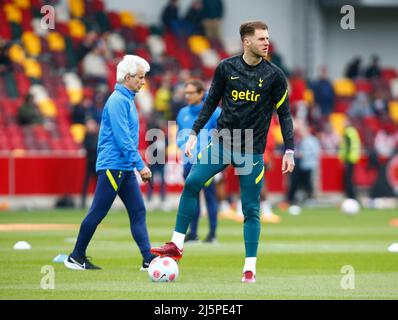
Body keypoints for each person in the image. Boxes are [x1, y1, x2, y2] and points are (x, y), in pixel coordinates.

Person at [151, 21, 295, 283]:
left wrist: (289, 150)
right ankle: (176, 244)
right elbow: (210, 102)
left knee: (250, 209)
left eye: (267, 38)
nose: (266, 42)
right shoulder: (226, 68)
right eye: (261, 38)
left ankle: (249, 268)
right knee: (192, 182)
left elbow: (284, 114)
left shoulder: (275, 75)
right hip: (222, 142)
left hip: (251, 148)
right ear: (246, 42)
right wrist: (194, 133)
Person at [64, 55, 155, 271]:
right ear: (127, 77)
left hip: (121, 166)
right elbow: (123, 139)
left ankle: (147, 259)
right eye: (140, 77)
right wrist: (140, 165)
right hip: (114, 165)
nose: (143, 82)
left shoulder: (127, 99)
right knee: (98, 211)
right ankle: (76, 256)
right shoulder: (117, 101)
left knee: (138, 211)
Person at [176, 79, 221, 243]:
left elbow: (221, 135)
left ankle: (212, 233)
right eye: (186, 92)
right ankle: (193, 233)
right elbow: (180, 135)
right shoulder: (182, 113)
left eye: (191, 93)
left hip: (207, 162)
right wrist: (183, 147)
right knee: (190, 196)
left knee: (210, 197)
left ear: (201, 94)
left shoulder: (214, 112)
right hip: (188, 162)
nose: (187, 96)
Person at [339, 118, 361, 200]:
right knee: (350, 179)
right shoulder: (353, 131)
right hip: (353, 158)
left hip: (349, 159)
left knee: (348, 180)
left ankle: (351, 197)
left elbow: (348, 146)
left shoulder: (348, 132)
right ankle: (352, 197)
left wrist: (345, 159)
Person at [81, 119, 99, 209]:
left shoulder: (97, 136)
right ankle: (82, 203)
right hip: (90, 163)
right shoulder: (87, 137)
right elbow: (91, 148)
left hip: (97, 163)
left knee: (99, 184)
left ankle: (99, 202)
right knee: (86, 183)